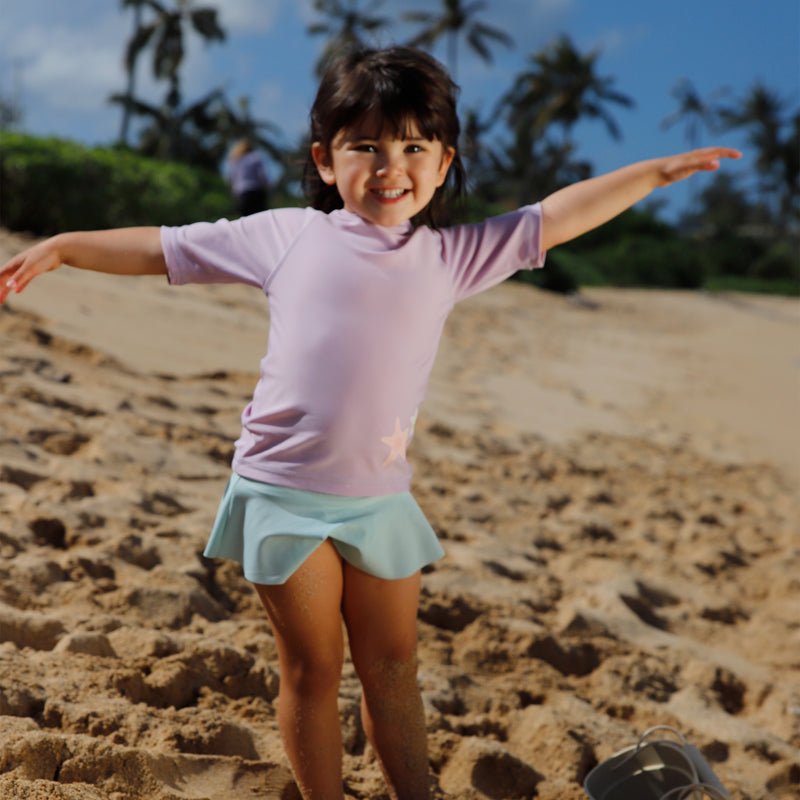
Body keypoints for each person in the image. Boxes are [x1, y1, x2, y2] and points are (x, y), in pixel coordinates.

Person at [0, 46, 739, 800]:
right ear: (326, 160)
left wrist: (654, 174)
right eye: (368, 146)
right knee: (313, 669)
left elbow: (554, 216)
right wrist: (63, 248)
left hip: (380, 500)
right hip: (281, 494)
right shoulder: (286, 235)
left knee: (393, 669)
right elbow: (165, 247)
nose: (392, 166)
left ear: (444, 162)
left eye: (415, 146)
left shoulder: (452, 257)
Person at [227, 137, 270, 216]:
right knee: (260, 217)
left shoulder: (235, 159)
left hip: (242, 194)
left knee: (246, 220)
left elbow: (232, 178)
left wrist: (233, 194)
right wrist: (268, 189)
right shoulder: (255, 157)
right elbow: (262, 176)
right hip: (256, 191)